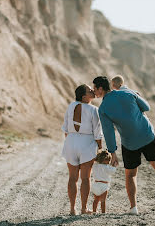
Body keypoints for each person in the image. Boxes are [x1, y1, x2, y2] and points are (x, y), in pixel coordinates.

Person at [93, 76, 155, 215]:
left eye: (94, 88)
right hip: (147, 134)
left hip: (129, 143)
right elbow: (147, 107)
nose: (94, 91)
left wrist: (113, 152)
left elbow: (108, 131)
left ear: (100, 88)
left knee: (130, 175)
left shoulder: (103, 108)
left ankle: (133, 208)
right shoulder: (128, 92)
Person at [61, 84, 103, 215]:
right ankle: (84, 208)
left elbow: (66, 129)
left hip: (71, 141)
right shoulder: (93, 109)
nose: (92, 91)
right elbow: (97, 132)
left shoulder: (70, 106)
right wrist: (100, 148)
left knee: (72, 178)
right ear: (84, 97)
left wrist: (71, 142)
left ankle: (72, 209)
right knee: (85, 178)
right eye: (90, 90)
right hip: (87, 143)